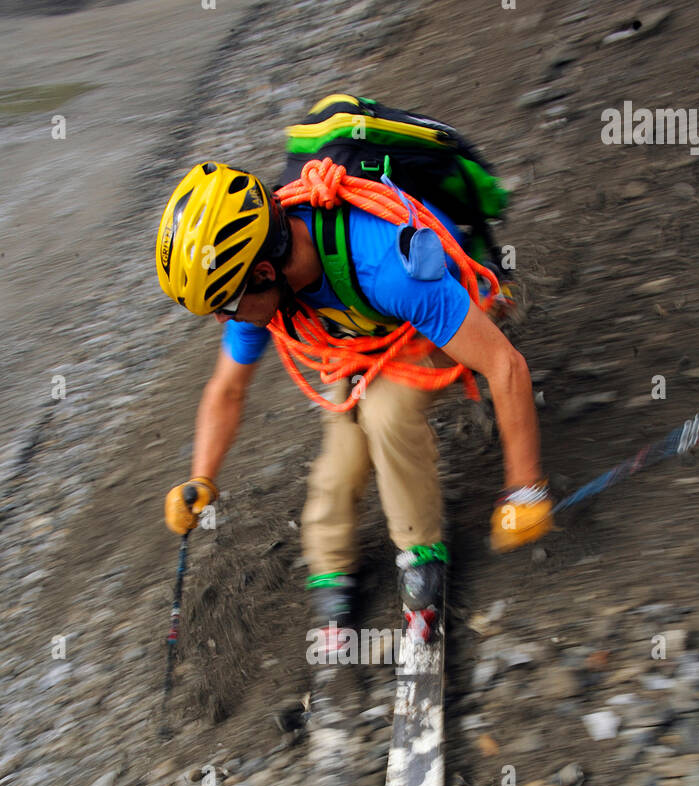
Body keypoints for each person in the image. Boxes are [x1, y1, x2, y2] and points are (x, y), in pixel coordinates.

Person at [157, 161, 551, 646]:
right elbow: (227, 388)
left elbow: (504, 365)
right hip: (357, 335)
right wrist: (202, 478)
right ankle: (331, 564)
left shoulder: (386, 265)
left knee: (387, 415)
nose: (223, 319)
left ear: (263, 271)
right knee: (342, 444)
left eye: (226, 305)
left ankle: (420, 553)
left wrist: (524, 490)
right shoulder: (256, 282)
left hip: (421, 325)